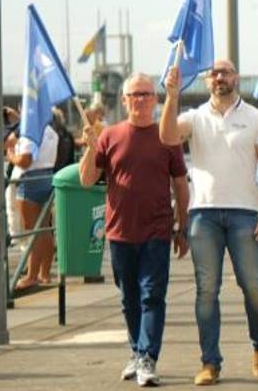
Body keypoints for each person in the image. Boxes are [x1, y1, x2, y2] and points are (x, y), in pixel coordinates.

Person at [159, 59, 258, 386]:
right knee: (206, 291)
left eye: (225, 72)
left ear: (236, 77)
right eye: (213, 73)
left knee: (253, 286)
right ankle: (210, 363)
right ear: (208, 81)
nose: (219, 77)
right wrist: (171, 95)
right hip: (204, 214)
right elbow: (168, 137)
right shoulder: (196, 117)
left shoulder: (256, 119)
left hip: (244, 213)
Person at [78, 73, 190, 388]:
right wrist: (90, 146)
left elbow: (181, 185)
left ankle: (147, 357)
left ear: (155, 100)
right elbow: (87, 179)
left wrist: (183, 227)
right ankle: (137, 350)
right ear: (124, 100)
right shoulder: (109, 135)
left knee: (152, 296)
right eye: (134, 94)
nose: (140, 99)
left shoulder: (168, 136)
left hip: (157, 230)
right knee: (128, 299)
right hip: (119, 232)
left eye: (146, 94)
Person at [4, 107, 61, 291]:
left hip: (29, 179)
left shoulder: (30, 133)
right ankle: (44, 273)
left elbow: (25, 161)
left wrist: (11, 155)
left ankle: (32, 275)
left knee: (33, 231)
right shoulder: (51, 130)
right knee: (44, 228)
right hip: (47, 176)